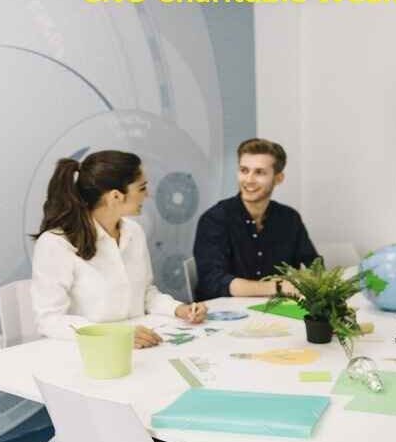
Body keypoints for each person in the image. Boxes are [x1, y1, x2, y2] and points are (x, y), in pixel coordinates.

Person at [31, 150, 207, 349]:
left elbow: (146, 293)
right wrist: (115, 335)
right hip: (88, 354)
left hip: (138, 349)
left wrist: (179, 309)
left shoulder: (134, 232)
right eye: (142, 188)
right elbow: (49, 320)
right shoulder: (56, 244)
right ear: (115, 196)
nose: (148, 195)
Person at [193, 138, 319, 300]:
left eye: (259, 172)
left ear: (278, 178)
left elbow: (314, 265)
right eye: (244, 170)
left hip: (279, 311)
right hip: (225, 316)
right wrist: (278, 287)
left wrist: (308, 279)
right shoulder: (214, 219)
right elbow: (213, 281)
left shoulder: (289, 218)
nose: (249, 180)